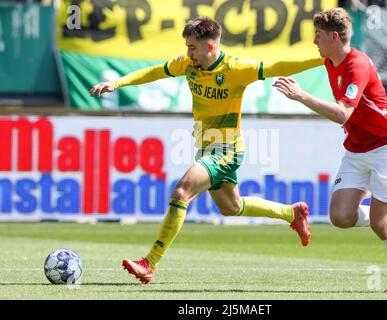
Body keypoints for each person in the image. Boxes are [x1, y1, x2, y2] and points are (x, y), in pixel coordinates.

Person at [90, 16, 323, 284]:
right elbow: (155, 71)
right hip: (205, 148)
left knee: (181, 192)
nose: (188, 53)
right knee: (232, 207)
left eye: (192, 47)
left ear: (210, 46)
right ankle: (291, 213)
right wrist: (117, 83)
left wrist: (322, 60)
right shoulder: (189, 64)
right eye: (187, 47)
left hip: (226, 150)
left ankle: (149, 262)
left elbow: (276, 66)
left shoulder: (235, 69)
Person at [273, 8, 387, 293]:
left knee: (379, 224)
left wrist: (301, 95)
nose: (315, 42)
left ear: (333, 36)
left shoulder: (357, 65)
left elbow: (343, 113)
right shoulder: (330, 61)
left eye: (318, 36)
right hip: (357, 147)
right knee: (341, 217)